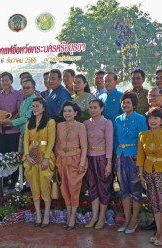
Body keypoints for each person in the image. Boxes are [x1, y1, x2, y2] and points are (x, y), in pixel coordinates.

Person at [137, 108, 162, 246]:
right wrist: (141, 175)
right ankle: (159, 231)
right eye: (150, 118)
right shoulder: (143, 134)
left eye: (156, 118)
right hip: (149, 173)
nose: (152, 121)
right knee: (155, 203)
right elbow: (141, 156)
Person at [114, 92, 148, 233]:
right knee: (124, 189)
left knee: (135, 189)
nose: (125, 105)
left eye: (128, 102)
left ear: (134, 104)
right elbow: (116, 139)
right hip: (120, 156)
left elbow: (144, 141)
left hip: (134, 156)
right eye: (123, 102)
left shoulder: (140, 119)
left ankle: (134, 221)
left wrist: (141, 161)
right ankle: (127, 219)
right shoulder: (117, 119)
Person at [23, 98, 56, 228]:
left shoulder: (50, 122)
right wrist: (27, 155)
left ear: (43, 108)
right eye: (33, 106)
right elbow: (26, 141)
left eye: (37, 106)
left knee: (44, 185)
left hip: (44, 156)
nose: (35, 108)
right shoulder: (29, 122)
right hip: (31, 157)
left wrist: (47, 158)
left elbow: (51, 141)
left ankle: (46, 214)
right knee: (34, 186)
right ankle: (38, 215)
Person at [55, 101, 87, 230]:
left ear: (75, 112)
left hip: (75, 160)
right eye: (65, 111)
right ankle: (68, 215)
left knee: (74, 188)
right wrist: (57, 160)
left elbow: (84, 147)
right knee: (64, 188)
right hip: (62, 159)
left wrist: (82, 163)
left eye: (69, 111)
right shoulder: (59, 125)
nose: (67, 113)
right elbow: (57, 144)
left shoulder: (81, 126)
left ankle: (73, 216)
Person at [84, 99, 113, 229]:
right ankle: (94, 216)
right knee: (92, 187)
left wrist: (109, 163)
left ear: (101, 109)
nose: (92, 110)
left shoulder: (107, 123)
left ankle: (102, 216)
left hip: (102, 158)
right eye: (90, 107)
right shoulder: (86, 123)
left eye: (95, 107)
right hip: (89, 158)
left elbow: (109, 143)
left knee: (104, 187)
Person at [0, 72, 24, 189]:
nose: (4, 83)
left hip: (13, 130)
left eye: (7, 80)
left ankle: (13, 180)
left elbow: (19, 112)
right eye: (2, 80)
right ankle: (4, 179)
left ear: (11, 81)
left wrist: (10, 121)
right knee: (2, 155)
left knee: (13, 156)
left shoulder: (18, 94)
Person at [2, 78, 36, 155]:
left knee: (31, 157)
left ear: (34, 88)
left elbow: (27, 118)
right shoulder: (24, 102)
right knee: (22, 157)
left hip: (32, 134)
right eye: (23, 88)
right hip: (23, 133)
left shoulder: (35, 100)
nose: (25, 90)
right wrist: (10, 121)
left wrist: (11, 122)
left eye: (28, 87)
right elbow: (20, 116)